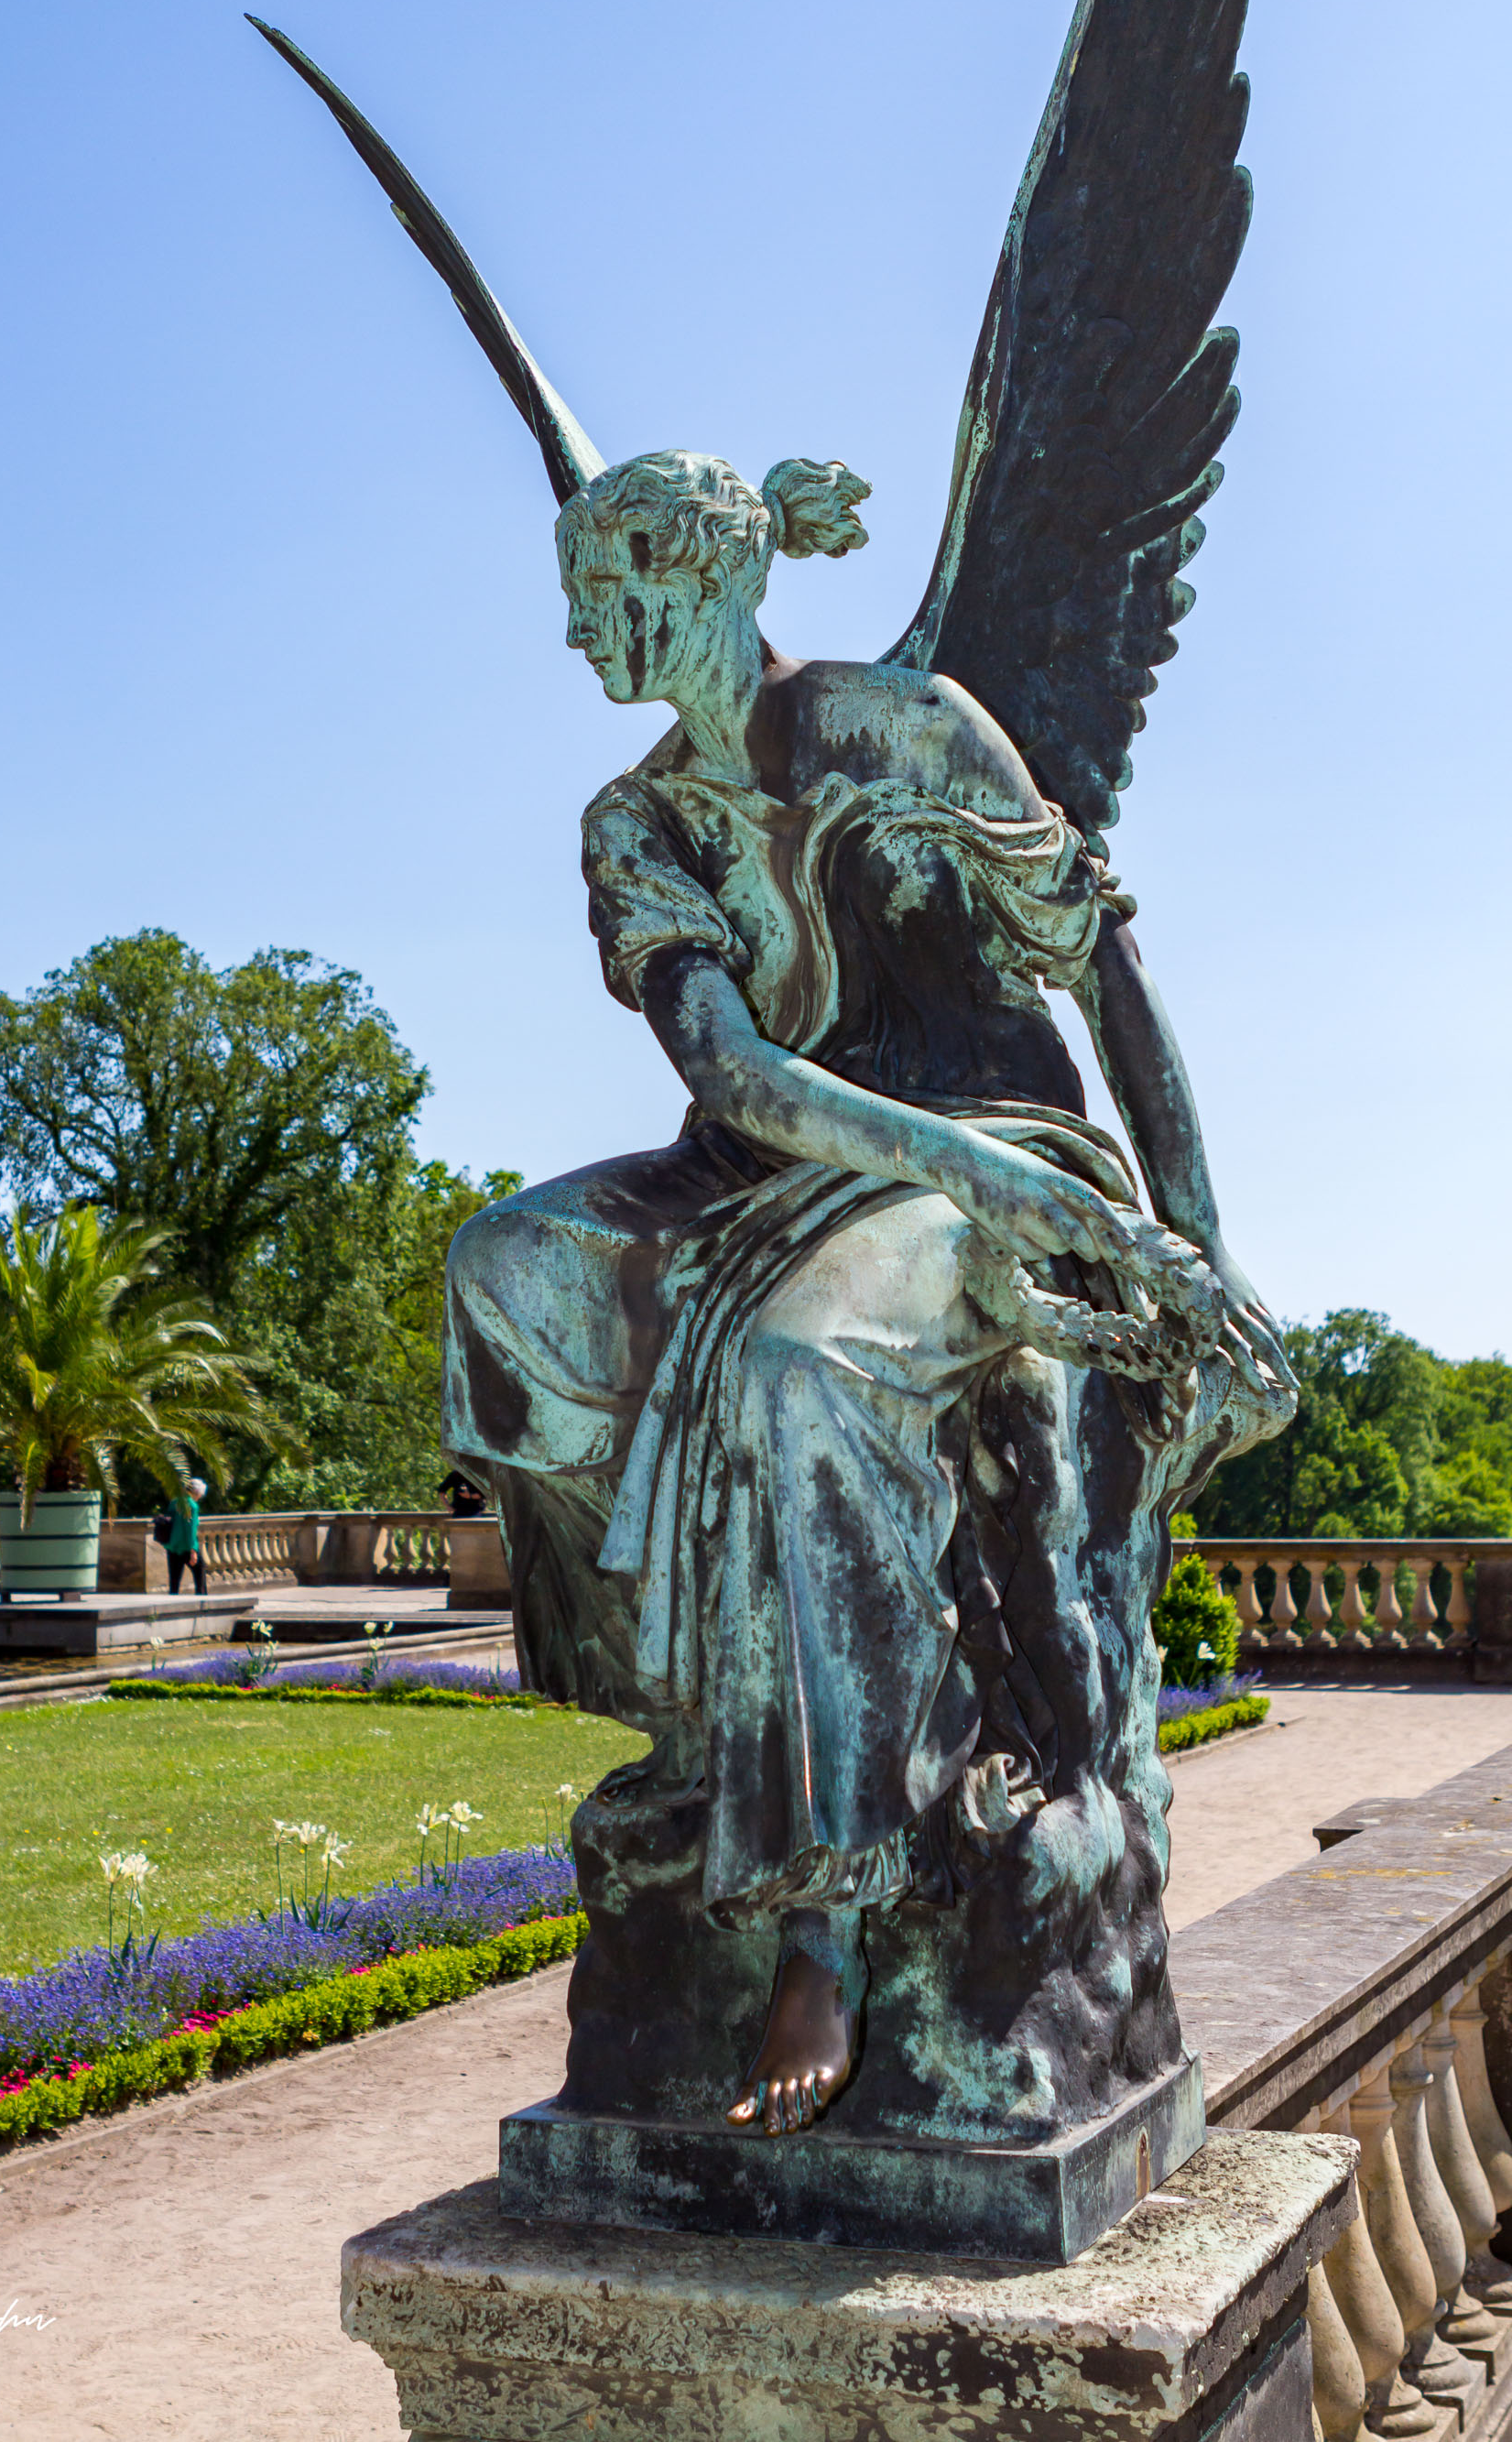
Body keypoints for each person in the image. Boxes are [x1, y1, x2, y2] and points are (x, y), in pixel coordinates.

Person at [441, 450, 1294, 2135]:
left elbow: (1104, 963)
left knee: (800, 1362)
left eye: (602, 596)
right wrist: (960, 1181)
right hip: (774, 1162)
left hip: (1004, 1147)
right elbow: (733, 1071)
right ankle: (708, 1732)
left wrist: (1198, 1242)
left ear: (705, 582)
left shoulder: (909, 730)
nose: (576, 634)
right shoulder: (637, 821)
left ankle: (826, 1911)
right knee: (503, 1273)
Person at [165, 1477, 207, 1597]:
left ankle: (171, 1603)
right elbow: (191, 1530)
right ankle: (202, 1600)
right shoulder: (192, 1506)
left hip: (173, 1546)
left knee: (174, 1580)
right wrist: (193, 1550)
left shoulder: (174, 1502)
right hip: (186, 1546)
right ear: (197, 1492)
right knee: (200, 1572)